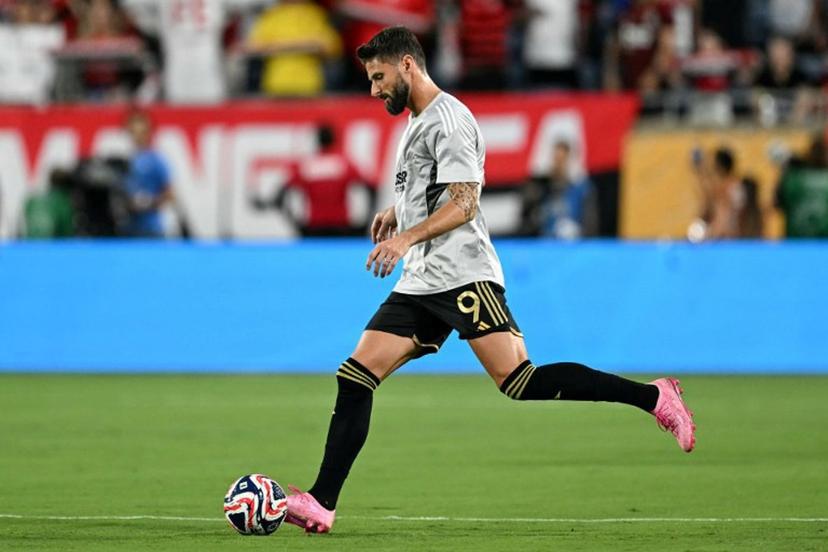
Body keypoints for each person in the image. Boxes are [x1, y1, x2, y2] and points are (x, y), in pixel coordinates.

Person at [283, 26, 696, 535]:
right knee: (355, 375)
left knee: (520, 381)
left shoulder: (450, 121)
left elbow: (465, 203)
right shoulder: (417, 123)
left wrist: (405, 237)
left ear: (407, 65)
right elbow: (437, 190)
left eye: (379, 77)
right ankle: (323, 502)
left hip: (463, 276)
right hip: (423, 280)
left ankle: (655, 398)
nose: (374, 90)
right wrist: (400, 210)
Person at [276, 124, 375, 236]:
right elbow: (371, 188)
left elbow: (282, 193)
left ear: (317, 140)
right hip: (341, 227)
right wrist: (365, 224)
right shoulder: (343, 163)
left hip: (314, 228)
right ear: (334, 139)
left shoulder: (307, 166)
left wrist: (295, 224)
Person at [520, 139, 596, 239]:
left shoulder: (581, 189)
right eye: (556, 159)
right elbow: (528, 221)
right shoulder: (541, 189)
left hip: (574, 245)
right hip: (545, 244)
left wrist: (578, 233)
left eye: (562, 160)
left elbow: (591, 225)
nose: (558, 165)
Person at [122, 110, 172, 237]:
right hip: (128, 227)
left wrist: (149, 203)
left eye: (141, 132)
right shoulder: (126, 159)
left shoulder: (156, 159)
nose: (137, 136)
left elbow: (170, 194)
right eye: (133, 132)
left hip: (151, 228)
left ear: (148, 133)